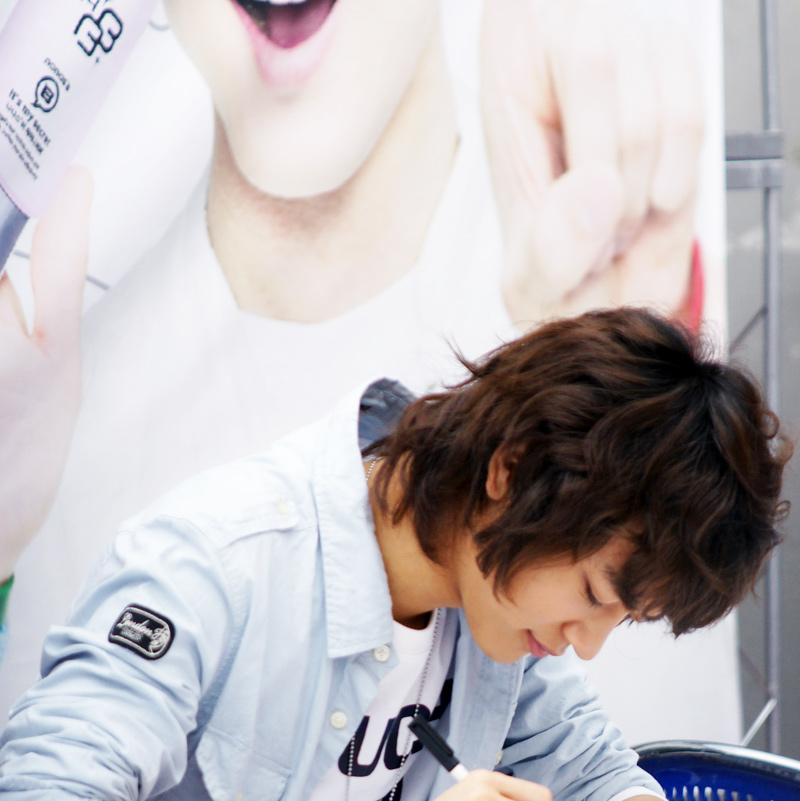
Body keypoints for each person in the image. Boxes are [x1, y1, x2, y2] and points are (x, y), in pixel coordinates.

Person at [0, 0, 722, 745]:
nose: (587, 638)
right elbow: (46, 792)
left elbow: (584, 761)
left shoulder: (547, 307)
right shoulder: (72, 425)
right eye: (595, 595)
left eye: (610, 606)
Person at [0, 308, 794, 801]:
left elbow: (586, 779)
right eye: (591, 594)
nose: (583, 645)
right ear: (511, 470)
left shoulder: (497, 607)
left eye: (621, 618)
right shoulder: (216, 560)